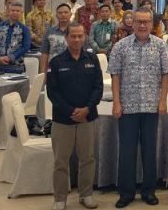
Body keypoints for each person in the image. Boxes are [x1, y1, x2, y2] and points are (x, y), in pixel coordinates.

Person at [108, 8, 168, 208]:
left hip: (151, 107)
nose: (142, 25)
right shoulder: (120, 46)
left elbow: (166, 73)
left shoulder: (160, 45)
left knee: (149, 151)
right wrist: (116, 102)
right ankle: (126, 193)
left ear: (152, 24)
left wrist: (163, 100)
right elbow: (115, 75)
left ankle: (148, 191)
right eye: (139, 21)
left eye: (146, 22)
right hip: (127, 107)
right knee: (126, 152)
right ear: (132, 23)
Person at [48, 22, 103, 210]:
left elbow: (98, 87)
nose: (77, 39)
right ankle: (60, 198)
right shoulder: (56, 62)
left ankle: (86, 194)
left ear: (85, 36)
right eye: (73, 36)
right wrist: (71, 111)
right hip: (63, 120)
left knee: (87, 158)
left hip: (88, 117)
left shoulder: (92, 59)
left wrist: (87, 109)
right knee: (61, 161)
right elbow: (53, 93)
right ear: (66, 38)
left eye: (80, 36)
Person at [0, 2, 31, 73]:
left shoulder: (24, 29)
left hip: (16, 66)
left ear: (21, 13)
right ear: (8, 12)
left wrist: (10, 57)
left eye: (17, 11)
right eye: (13, 10)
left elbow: (26, 46)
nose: (15, 12)